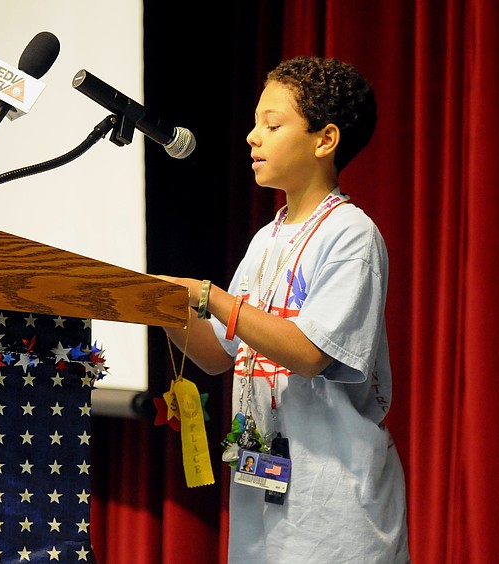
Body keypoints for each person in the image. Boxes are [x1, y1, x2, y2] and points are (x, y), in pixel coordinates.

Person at [159, 56, 410, 563]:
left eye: (272, 125)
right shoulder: (265, 239)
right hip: (262, 508)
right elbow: (215, 354)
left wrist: (208, 294)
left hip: (334, 512)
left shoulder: (350, 234)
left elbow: (310, 353)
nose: (252, 136)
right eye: (254, 123)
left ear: (325, 140)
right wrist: (161, 303)